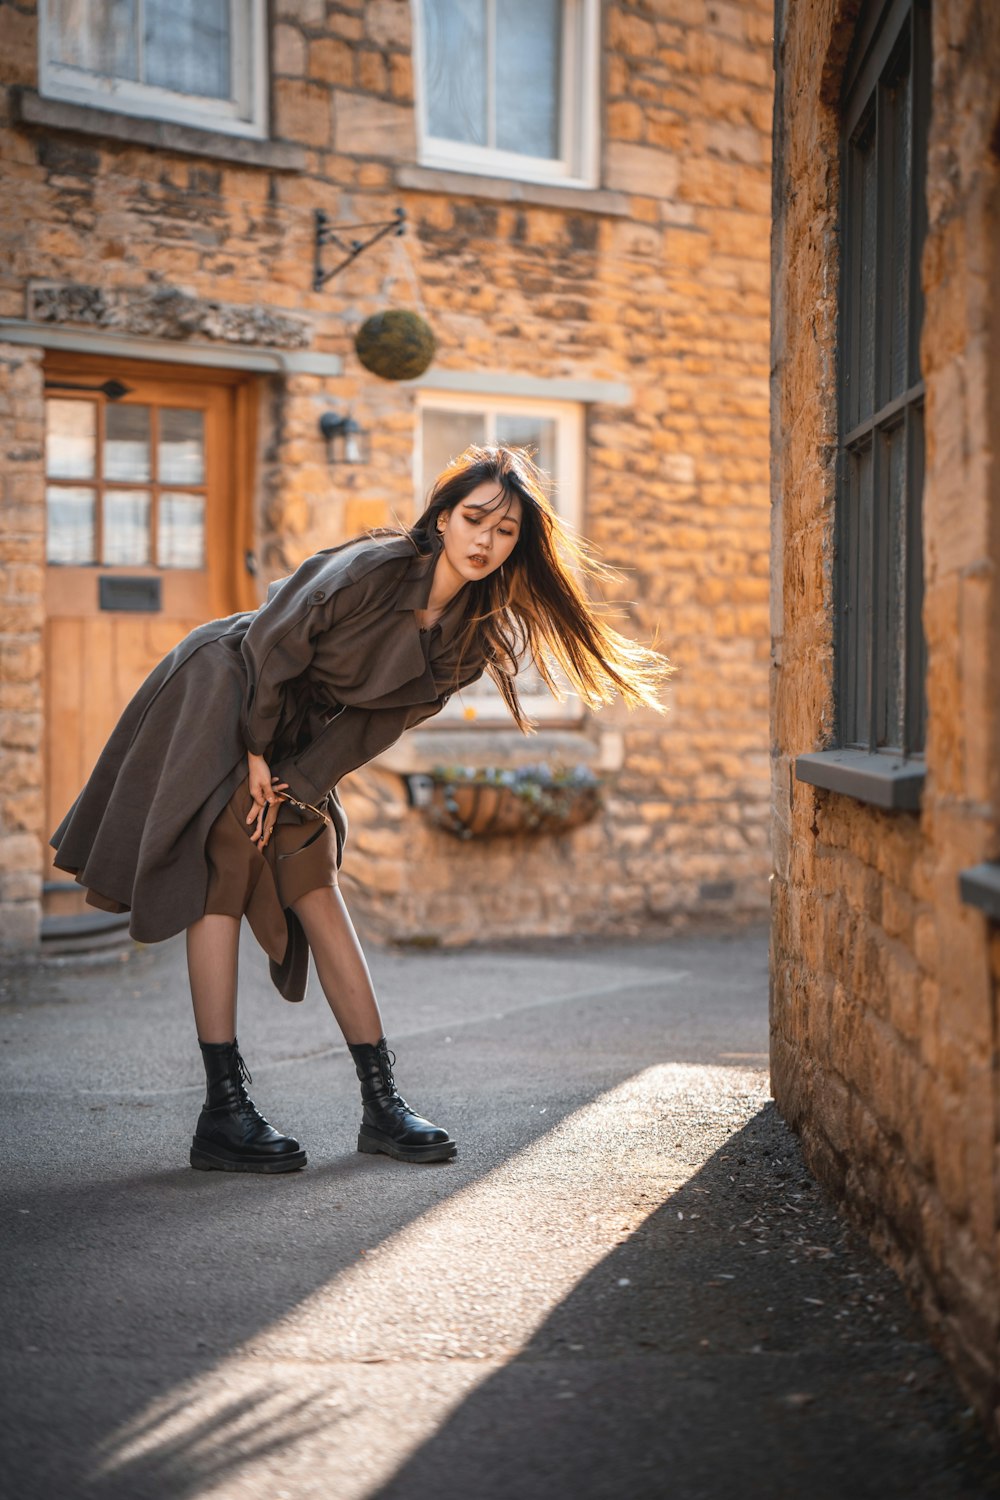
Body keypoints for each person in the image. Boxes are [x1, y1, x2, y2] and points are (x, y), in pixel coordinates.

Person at [51, 444, 670, 1174]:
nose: (485, 542)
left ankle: (382, 1104)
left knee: (310, 871)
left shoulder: (472, 637)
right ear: (442, 518)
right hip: (228, 684)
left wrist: (297, 783)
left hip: (299, 728)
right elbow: (273, 642)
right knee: (225, 856)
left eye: (504, 533)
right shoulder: (373, 569)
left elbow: (375, 725)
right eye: (474, 519)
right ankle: (223, 1111)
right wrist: (255, 754)